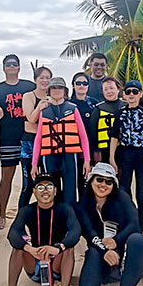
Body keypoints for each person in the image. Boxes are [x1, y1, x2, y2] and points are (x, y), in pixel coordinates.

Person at [0, 173, 81, 286]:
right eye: (40, 187)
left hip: (57, 266)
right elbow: (13, 233)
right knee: (17, 248)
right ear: (34, 191)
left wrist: (58, 247)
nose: (45, 190)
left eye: (49, 186)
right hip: (34, 265)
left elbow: (76, 231)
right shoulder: (27, 210)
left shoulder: (64, 209)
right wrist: (30, 249)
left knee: (69, 248)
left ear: (55, 191)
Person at [0, 55, 36, 229]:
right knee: (6, 178)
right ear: (3, 68)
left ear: (18, 67)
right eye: (8, 64)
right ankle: (2, 215)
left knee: (30, 179)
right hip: (7, 139)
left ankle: (25, 214)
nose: (11, 67)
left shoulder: (29, 86)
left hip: (28, 139)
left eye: (14, 64)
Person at [31, 77, 91, 205]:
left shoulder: (73, 109)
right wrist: (34, 164)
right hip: (49, 157)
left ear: (65, 91)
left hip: (69, 156)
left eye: (60, 88)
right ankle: (56, 221)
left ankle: (71, 221)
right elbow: (39, 139)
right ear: (49, 91)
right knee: (53, 191)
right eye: (54, 88)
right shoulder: (44, 112)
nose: (57, 90)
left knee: (71, 192)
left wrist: (87, 160)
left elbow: (83, 136)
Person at [109, 80, 143, 231]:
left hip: (142, 156)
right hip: (124, 155)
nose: (131, 95)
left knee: (140, 193)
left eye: (135, 92)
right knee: (124, 190)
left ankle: (140, 227)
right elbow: (114, 137)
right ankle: (128, 222)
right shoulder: (120, 113)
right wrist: (111, 158)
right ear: (124, 94)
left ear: (140, 94)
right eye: (128, 92)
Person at [19, 66, 52, 208]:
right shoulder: (28, 96)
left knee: (47, 183)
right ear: (35, 80)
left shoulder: (53, 96)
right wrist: (40, 106)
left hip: (48, 142)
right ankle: (20, 219)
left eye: (47, 77)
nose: (45, 80)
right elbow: (31, 119)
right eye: (41, 77)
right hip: (29, 143)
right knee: (28, 184)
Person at [70, 72, 97, 198]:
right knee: (71, 185)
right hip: (72, 152)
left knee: (87, 186)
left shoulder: (94, 104)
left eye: (84, 83)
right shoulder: (68, 105)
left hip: (90, 150)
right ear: (73, 85)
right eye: (78, 83)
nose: (81, 86)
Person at [88, 77, 125, 164]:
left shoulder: (126, 106)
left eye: (111, 88)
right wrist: (96, 151)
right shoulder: (98, 108)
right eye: (106, 89)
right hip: (104, 149)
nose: (109, 91)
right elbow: (92, 132)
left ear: (118, 89)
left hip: (123, 149)